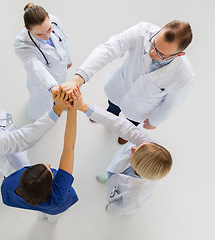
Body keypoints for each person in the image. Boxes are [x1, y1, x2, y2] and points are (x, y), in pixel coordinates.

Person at [62, 20, 194, 144]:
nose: (152, 52)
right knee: (112, 107)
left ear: (179, 55)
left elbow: (171, 104)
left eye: (161, 53)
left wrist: (154, 121)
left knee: (130, 125)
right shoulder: (142, 31)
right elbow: (108, 49)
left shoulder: (184, 76)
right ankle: (104, 117)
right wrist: (77, 79)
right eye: (153, 44)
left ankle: (124, 135)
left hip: (140, 109)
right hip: (119, 88)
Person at [69, 86, 172, 217]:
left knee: (115, 189)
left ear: (138, 165)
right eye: (139, 146)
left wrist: (111, 209)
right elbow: (120, 125)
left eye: (136, 151)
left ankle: (111, 178)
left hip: (120, 190)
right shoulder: (150, 145)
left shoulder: (136, 195)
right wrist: (84, 107)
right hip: (120, 171)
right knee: (113, 172)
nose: (133, 146)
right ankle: (109, 176)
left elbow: (123, 208)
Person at [1, 97, 78, 222]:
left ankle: (41, 215)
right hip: (54, 210)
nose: (48, 165)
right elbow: (69, 148)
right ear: (51, 188)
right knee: (53, 217)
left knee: (40, 211)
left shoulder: (8, 186)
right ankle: (51, 219)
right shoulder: (58, 198)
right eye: (50, 171)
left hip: (31, 203)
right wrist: (72, 110)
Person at [14, 3, 73, 120]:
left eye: (49, 29)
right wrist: (52, 85)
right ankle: (40, 117)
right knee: (40, 105)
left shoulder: (54, 20)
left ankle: (60, 105)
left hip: (60, 68)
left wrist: (68, 59)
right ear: (27, 29)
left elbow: (63, 39)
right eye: (39, 34)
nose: (46, 36)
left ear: (47, 15)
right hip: (41, 81)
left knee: (61, 89)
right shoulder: (21, 43)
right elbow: (35, 66)